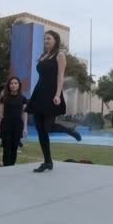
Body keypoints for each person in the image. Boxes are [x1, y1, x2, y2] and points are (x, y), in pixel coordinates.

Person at [25, 30, 82, 173]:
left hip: (51, 94)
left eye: (48, 39)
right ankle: (47, 162)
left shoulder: (60, 55)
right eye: (44, 39)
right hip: (39, 93)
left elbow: (60, 76)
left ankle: (69, 130)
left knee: (47, 127)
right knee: (40, 130)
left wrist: (58, 94)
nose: (46, 41)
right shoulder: (43, 56)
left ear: (55, 40)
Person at [0, 77, 28, 166]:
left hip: (18, 126)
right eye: (11, 83)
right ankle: (5, 167)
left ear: (19, 85)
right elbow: (0, 114)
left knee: (14, 148)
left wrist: (25, 128)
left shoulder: (23, 98)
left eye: (15, 83)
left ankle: (11, 167)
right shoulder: (4, 98)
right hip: (6, 125)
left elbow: (24, 114)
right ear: (8, 85)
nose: (13, 85)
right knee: (6, 148)